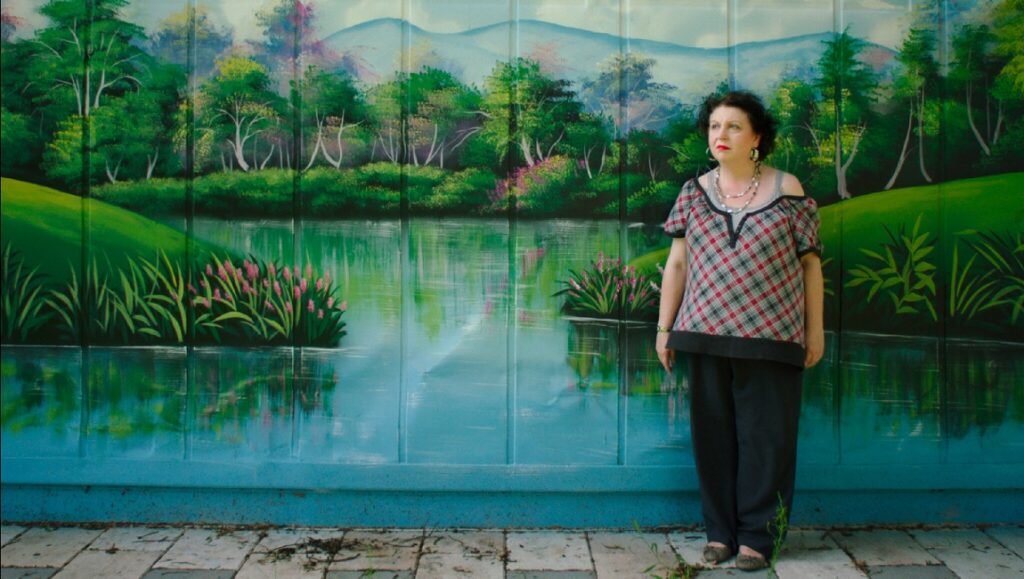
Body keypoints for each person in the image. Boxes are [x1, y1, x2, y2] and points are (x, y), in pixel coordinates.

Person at [655, 90, 825, 572]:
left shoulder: (787, 190)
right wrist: (664, 329)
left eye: (732, 126)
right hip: (703, 334)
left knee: (767, 440)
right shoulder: (693, 191)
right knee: (713, 440)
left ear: (757, 137)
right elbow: (677, 263)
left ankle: (757, 538)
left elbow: (811, 267)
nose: (720, 135)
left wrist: (816, 332)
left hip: (773, 338)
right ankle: (720, 534)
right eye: (714, 126)